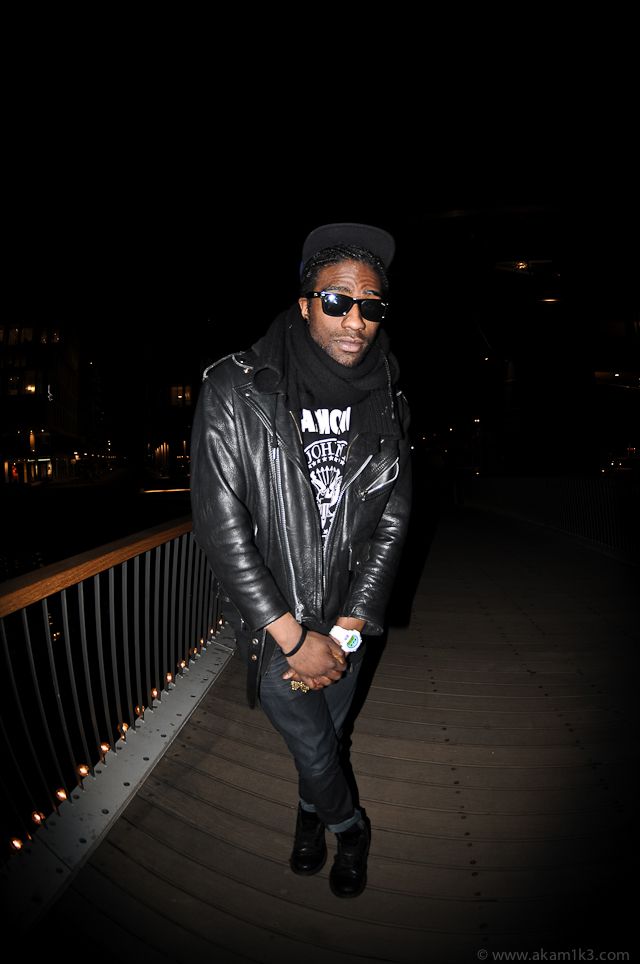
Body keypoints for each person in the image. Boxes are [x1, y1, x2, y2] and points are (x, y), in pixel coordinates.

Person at [190, 222, 411, 898]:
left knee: (330, 737)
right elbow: (222, 527)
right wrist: (292, 638)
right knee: (314, 744)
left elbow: (392, 519)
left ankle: (310, 815)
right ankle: (350, 826)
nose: (356, 321)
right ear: (307, 303)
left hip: (347, 617)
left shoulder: (388, 396)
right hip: (273, 624)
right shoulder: (237, 387)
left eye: (371, 305)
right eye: (338, 301)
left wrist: (350, 623)